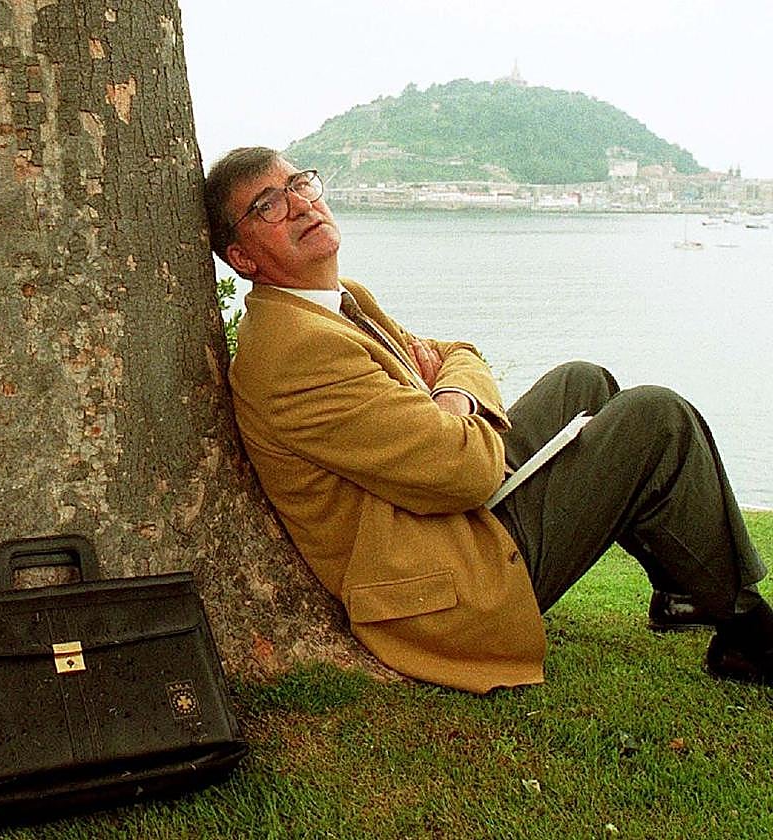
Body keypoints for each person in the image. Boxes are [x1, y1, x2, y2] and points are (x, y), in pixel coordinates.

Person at [205, 146, 772, 693]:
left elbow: (459, 352)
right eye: (268, 205)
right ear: (243, 259)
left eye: (298, 184)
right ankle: (745, 628)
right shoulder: (292, 353)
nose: (300, 204)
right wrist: (451, 406)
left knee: (583, 381)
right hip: (443, 571)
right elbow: (466, 472)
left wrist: (449, 391)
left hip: (444, 506)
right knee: (656, 419)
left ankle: (687, 593)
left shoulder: (339, 300)